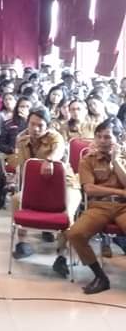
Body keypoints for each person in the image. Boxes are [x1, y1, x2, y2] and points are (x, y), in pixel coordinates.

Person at [11, 108, 80, 276]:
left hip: (66, 184)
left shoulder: (55, 137)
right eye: (32, 124)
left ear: (48, 126)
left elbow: (59, 150)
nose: (35, 129)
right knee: (16, 199)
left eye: (40, 125)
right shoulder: (22, 139)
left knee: (67, 214)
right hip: (38, 186)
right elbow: (21, 167)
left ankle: (61, 256)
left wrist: (49, 160)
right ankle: (22, 243)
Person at [67, 117, 126, 294]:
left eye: (107, 137)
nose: (102, 141)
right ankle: (100, 276)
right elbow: (90, 189)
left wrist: (116, 162)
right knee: (75, 234)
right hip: (99, 207)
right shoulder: (88, 159)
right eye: (98, 136)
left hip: (124, 207)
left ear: (118, 137)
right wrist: (120, 192)